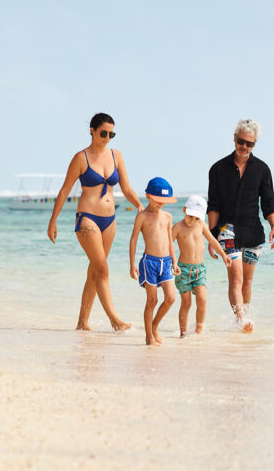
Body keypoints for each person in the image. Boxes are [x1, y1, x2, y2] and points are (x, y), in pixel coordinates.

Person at [48, 112, 143, 331]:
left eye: (111, 134)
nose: (107, 137)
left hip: (109, 221)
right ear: (92, 131)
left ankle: (82, 323)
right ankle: (115, 320)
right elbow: (64, 191)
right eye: (103, 133)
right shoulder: (81, 158)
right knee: (102, 270)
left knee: (94, 272)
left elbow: (126, 188)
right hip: (87, 219)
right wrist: (53, 221)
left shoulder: (116, 156)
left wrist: (140, 206)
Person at [207, 119, 274, 331]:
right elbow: (214, 205)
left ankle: (245, 319)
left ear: (255, 144)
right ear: (234, 138)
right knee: (236, 279)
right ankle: (241, 320)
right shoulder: (217, 169)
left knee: (247, 282)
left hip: (253, 232)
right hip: (226, 230)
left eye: (250, 143)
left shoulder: (262, 169)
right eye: (241, 141)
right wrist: (211, 237)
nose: (244, 146)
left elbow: (268, 203)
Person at [129, 177, 179, 346]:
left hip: (166, 262)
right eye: (158, 200)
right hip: (149, 262)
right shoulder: (142, 216)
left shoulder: (168, 216)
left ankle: (154, 326)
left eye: (164, 201)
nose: (161, 204)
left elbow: (170, 241)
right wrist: (132, 264)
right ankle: (148, 336)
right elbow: (133, 239)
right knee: (152, 300)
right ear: (148, 196)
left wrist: (174, 262)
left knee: (170, 298)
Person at [173, 194, 231, 337]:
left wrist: (224, 255)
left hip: (199, 270)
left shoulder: (201, 225)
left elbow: (213, 241)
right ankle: (183, 333)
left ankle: (199, 331)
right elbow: (167, 246)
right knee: (186, 303)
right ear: (184, 210)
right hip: (183, 270)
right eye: (190, 216)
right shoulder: (177, 227)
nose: (192, 220)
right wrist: (172, 263)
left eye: (197, 218)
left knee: (202, 299)